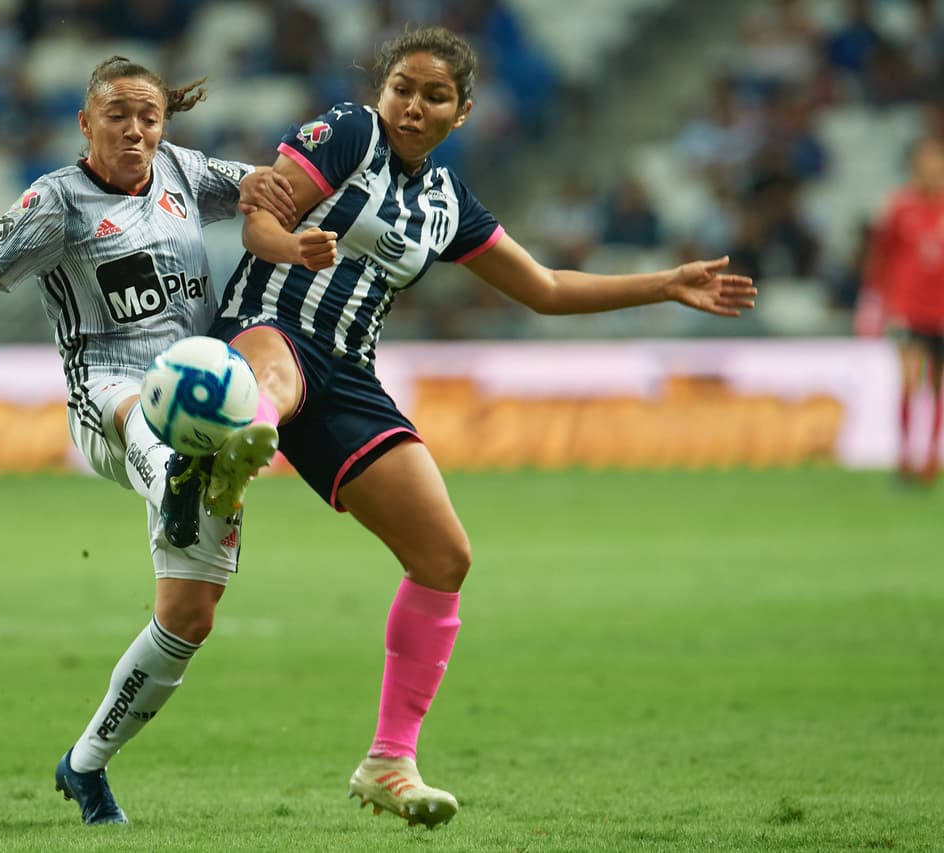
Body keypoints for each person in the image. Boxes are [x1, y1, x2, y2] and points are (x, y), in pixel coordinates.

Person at [212, 26, 757, 829]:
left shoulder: (447, 204)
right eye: (402, 88)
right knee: (273, 379)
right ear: (382, 91)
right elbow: (259, 216)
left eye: (434, 96)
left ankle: (390, 761)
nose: (412, 106)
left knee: (445, 557)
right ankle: (235, 445)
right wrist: (293, 247)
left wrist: (665, 284)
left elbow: (544, 288)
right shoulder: (350, 132)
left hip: (349, 376)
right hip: (268, 325)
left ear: (461, 113)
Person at [0, 56, 293, 826]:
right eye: (117, 115)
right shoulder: (56, 201)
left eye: (148, 117)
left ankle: (85, 764)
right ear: (86, 123)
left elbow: (268, 184)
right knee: (138, 406)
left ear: (163, 125)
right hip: (109, 399)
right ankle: (174, 476)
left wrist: (317, 180)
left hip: (205, 411)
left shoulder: (184, 172)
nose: (134, 130)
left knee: (189, 618)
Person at [858, 136, 944, 484]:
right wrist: (874, 301)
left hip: (941, 308)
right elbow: (881, 257)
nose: (933, 166)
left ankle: (930, 459)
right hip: (908, 307)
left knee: (937, 384)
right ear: (915, 165)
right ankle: (906, 456)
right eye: (927, 159)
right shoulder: (898, 206)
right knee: (909, 379)